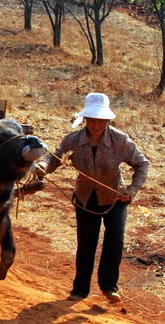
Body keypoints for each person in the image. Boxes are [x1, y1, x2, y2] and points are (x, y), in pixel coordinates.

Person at [35, 93, 149, 304]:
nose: (96, 125)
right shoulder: (73, 140)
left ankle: (109, 286)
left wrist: (132, 190)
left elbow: (143, 164)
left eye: (100, 120)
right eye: (92, 120)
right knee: (86, 243)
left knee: (115, 239)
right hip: (85, 197)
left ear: (107, 120)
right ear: (85, 119)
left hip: (115, 196)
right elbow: (55, 157)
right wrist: (43, 167)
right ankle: (79, 290)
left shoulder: (120, 140)